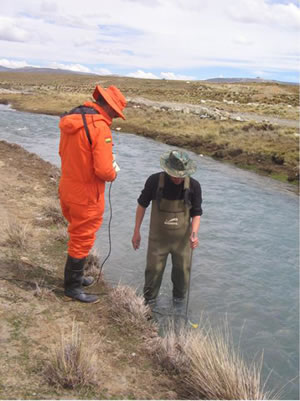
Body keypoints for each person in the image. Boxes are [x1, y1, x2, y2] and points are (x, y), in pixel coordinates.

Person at [59, 84, 126, 303]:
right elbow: (105, 171)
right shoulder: (99, 128)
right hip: (87, 194)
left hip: (68, 187)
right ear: (107, 105)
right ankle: (72, 287)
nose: (114, 117)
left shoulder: (71, 122)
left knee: (77, 234)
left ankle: (76, 278)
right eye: (115, 112)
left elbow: (63, 153)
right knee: (82, 237)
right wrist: (113, 172)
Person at [132, 150, 202, 304]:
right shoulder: (154, 181)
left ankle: (177, 306)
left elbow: (196, 213)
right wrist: (136, 231)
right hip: (158, 240)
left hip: (182, 242)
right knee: (153, 272)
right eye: (174, 174)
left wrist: (194, 234)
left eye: (181, 175)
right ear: (166, 169)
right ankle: (148, 305)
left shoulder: (194, 186)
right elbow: (142, 205)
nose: (177, 178)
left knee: (182, 274)